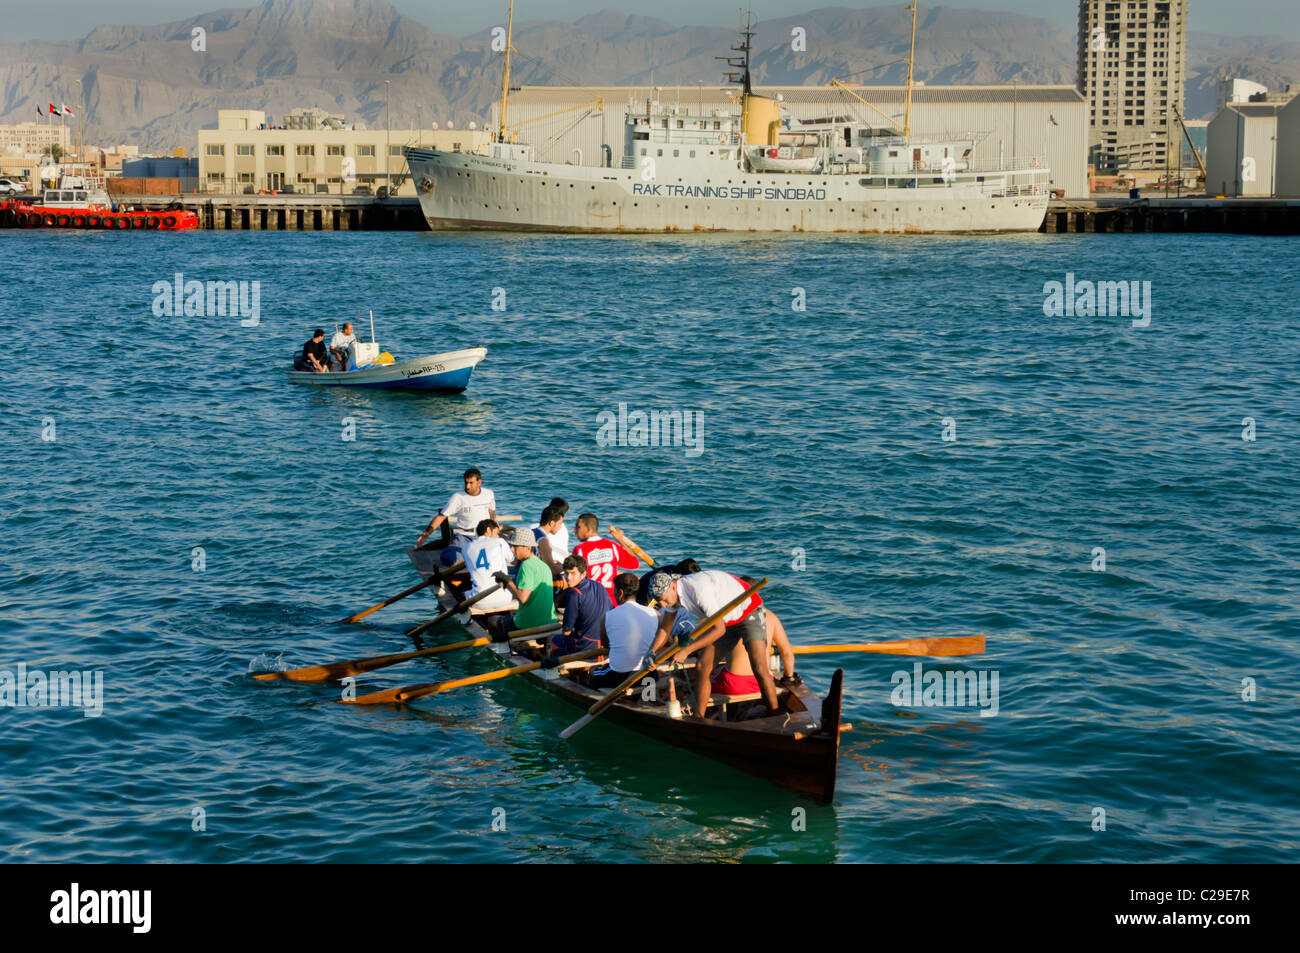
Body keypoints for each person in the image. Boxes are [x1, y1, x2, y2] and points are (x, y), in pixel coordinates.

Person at [648, 570, 778, 720]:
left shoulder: (698, 590)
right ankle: (699, 718)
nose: (663, 605)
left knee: (759, 667)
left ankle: (775, 715)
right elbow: (665, 629)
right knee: (702, 666)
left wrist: (686, 651)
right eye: (660, 602)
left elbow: (719, 630)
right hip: (725, 619)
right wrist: (651, 652)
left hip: (749, 612)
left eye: (664, 600)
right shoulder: (671, 595)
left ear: (672, 586)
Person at [589, 573, 660, 688]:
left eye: (614, 590)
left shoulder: (607, 616)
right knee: (647, 682)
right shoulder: (655, 614)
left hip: (620, 676)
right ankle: (645, 698)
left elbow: (606, 645)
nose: (613, 593)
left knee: (592, 672)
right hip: (649, 674)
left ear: (620, 593)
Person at [416, 468, 497, 567]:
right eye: (466, 482)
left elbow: (491, 513)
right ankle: (451, 547)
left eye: (471, 483)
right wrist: (427, 533)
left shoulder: (489, 494)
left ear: (479, 482)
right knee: (452, 560)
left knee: (498, 555)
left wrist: (494, 531)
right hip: (465, 534)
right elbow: (442, 516)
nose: (467, 486)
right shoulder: (458, 497)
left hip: (485, 534)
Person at [494, 527, 557, 636]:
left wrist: (508, 582)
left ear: (527, 548)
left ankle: (505, 649)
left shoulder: (526, 565)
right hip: (549, 622)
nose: (512, 550)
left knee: (493, 621)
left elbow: (523, 598)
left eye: (515, 546)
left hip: (528, 625)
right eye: (511, 546)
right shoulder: (544, 566)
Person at [570, 513, 640, 606]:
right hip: (613, 603)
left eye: (578, 527)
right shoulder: (612, 546)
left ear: (588, 529)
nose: (574, 530)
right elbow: (634, 563)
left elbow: (575, 580)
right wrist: (620, 539)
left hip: (592, 603)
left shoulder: (580, 550)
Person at [461, 519, 515, 632]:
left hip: (479, 601)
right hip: (504, 598)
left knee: (463, 589)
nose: (497, 535)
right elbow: (513, 560)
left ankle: (475, 621)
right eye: (496, 532)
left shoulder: (466, 548)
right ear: (488, 530)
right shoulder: (500, 542)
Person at [552, 554, 609, 657]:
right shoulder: (599, 585)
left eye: (573, 574)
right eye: (566, 573)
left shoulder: (574, 593)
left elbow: (566, 632)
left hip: (585, 647)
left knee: (552, 640)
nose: (568, 578)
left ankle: (554, 669)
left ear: (583, 574)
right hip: (604, 645)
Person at [531, 504, 569, 576]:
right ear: (551, 523)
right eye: (560, 523)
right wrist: (565, 568)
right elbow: (552, 570)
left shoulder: (532, 531)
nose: (560, 527)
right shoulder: (543, 540)